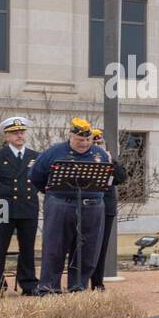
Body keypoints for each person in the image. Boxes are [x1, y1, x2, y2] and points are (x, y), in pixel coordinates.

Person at [32, 117, 112, 293]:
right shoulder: (53, 152)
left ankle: (78, 287)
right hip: (61, 204)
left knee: (88, 249)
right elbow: (36, 176)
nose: (84, 144)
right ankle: (49, 288)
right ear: (71, 137)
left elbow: (109, 179)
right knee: (55, 247)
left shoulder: (100, 154)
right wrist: (53, 194)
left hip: (92, 206)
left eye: (87, 140)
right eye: (79, 140)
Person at [0, 116, 40, 296]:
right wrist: (2, 197)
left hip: (27, 205)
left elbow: (40, 180)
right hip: (2, 205)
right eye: (15, 133)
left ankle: (29, 285)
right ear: (6, 136)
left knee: (27, 247)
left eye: (22, 132)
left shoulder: (34, 156)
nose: (20, 135)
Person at [86, 129, 126, 290]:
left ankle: (97, 282)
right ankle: (79, 281)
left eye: (99, 143)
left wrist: (110, 162)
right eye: (94, 143)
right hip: (86, 207)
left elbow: (121, 177)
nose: (97, 146)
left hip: (105, 208)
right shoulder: (83, 158)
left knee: (101, 247)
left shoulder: (107, 159)